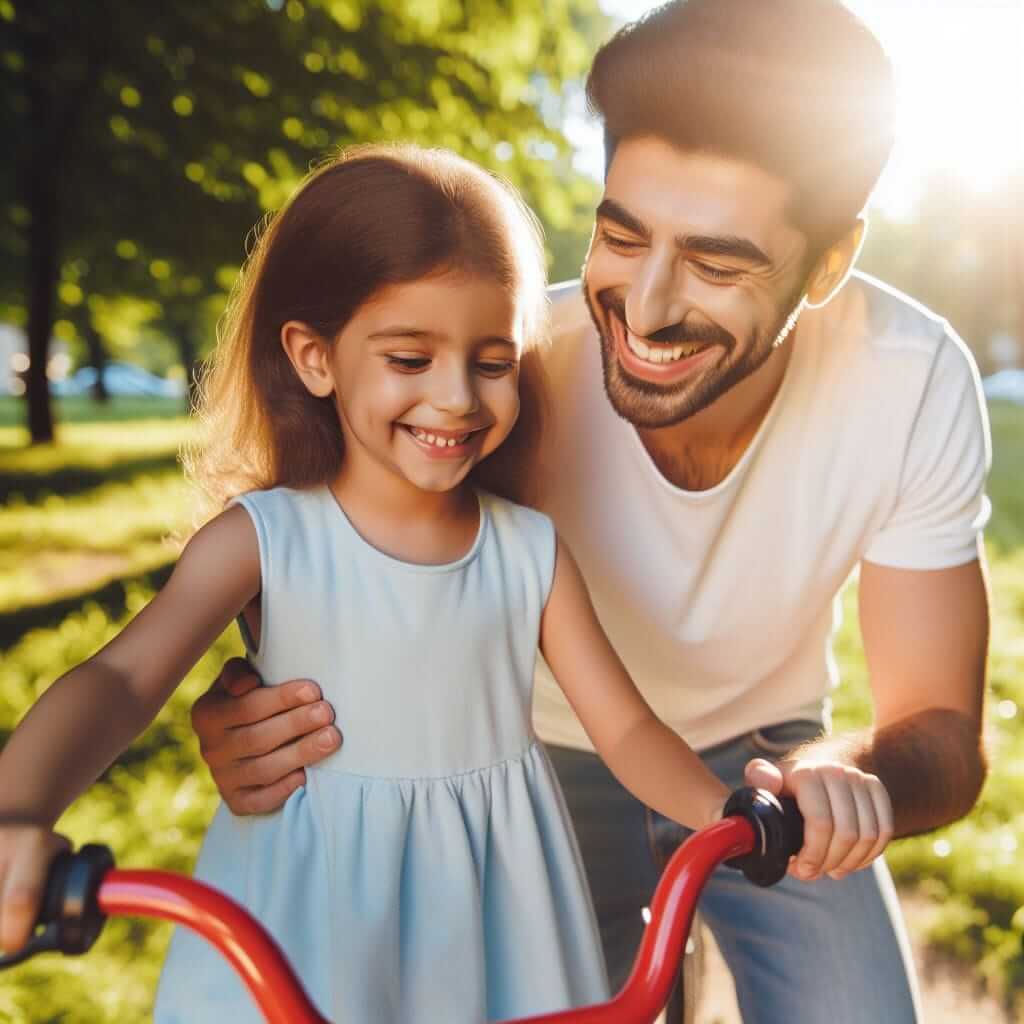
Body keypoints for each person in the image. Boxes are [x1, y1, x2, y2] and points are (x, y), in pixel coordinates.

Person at [191, 3, 991, 1022]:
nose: (647, 309)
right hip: (528, 755)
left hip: (768, 757)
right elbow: (332, 560)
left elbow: (944, 733)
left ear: (828, 265)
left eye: (716, 261)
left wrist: (830, 779)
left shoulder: (909, 378)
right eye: (621, 233)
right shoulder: (505, 374)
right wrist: (251, 702)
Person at [0, 144, 891, 1022]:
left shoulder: (527, 551)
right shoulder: (266, 541)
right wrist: (18, 808)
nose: (459, 397)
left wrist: (729, 814)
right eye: (410, 359)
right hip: (309, 923)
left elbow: (623, 728)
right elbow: (122, 679)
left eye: (493, 360)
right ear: (315, 358)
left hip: (498, 916)